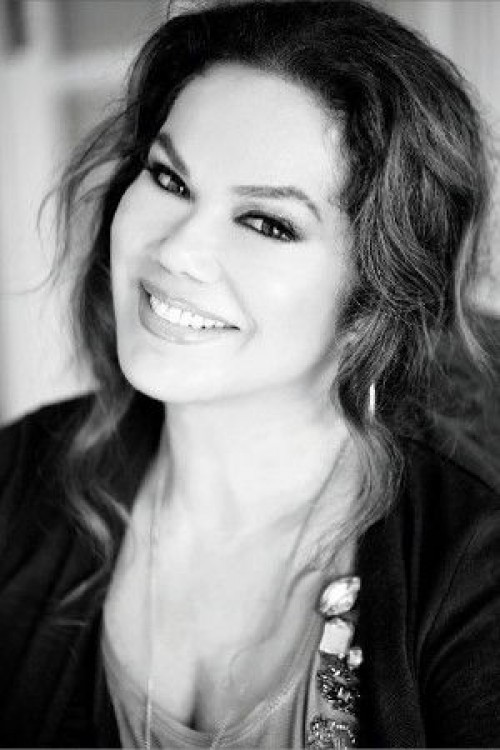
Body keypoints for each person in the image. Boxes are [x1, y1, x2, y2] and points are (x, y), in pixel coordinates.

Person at [1, 0, 499, 747]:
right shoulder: (15, 481)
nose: (177, 251)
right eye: (169, 179)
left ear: (377, 297)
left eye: (267, 223)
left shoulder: (474, 573)